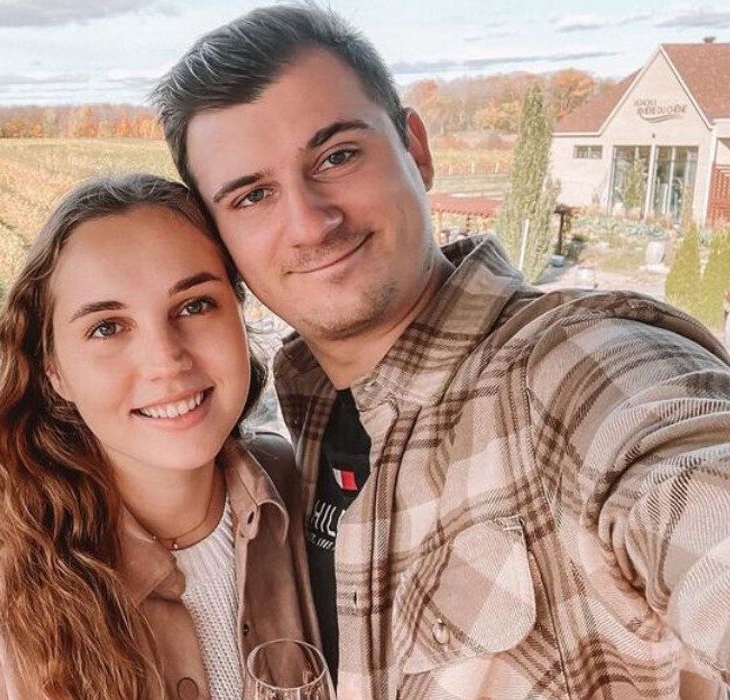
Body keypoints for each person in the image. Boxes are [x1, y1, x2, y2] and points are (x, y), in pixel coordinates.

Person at [151, 5, 730, 699]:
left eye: (336, 156)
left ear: (415, 151)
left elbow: (683, 479)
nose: (309, 222)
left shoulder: (572, 370)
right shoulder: (296, 438)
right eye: (251, 196)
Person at [0, 173, 316, 699]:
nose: (166, 361)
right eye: (107, 327)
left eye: (196, 304)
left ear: (239, 313)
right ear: (53, 372)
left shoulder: (300, 492)